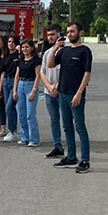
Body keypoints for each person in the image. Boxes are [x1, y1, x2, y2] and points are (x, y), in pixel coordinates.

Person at [51, 21, 92, 173]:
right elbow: (50, 64)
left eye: (72, 31)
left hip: (76, 95)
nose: (69, 34)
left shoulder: (85, 51)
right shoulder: (64, 51)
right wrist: (55, 48)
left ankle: (85, 160)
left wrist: (79, 93)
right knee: (67, 127)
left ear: (80, 32)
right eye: (68, 32)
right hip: (63, 93)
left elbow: (87, 74)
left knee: (80, 127)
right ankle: (71, 157)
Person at [40, 25, 64, 158]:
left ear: (59, 35)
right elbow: (42, 72)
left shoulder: (65, 51)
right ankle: (57, 146)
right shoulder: (47, 53)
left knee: (67, 120)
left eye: (53, 34)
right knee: (54, 120)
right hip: (49, 92)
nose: (50, 37)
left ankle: (70, 148)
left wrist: (57, 87)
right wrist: (49, 87)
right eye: (48, 35)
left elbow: (67, 73)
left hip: (62, 92)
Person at [13, 38, 42, 147]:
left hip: (30, 85)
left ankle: (34, 139)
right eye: (23, 47)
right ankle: (24, 137)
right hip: (21, 85)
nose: (25, 49)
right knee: (21, 113)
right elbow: (17, 75)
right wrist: (14, 90)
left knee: (30, 114)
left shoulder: (36, 60)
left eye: (27, 47)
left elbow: (38, 76)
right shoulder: (20, 60)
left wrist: (34, 90)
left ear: (32, 48)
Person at [0, 35, 19, 141]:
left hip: (15, 82)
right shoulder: (5, 56)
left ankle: (12, 130)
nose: (11, 43)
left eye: (13, 42)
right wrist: (0, 88)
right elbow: (3, 72)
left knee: (9, 107)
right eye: (9, 41)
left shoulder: (19, 55)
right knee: (9, 108)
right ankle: (13, 130)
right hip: (6, 81)